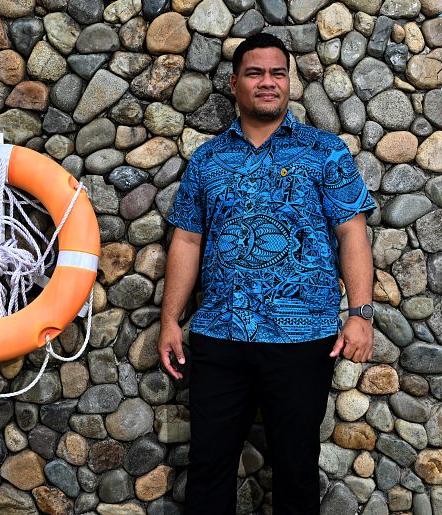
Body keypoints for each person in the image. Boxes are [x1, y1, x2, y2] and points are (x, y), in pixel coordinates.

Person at [158, 32, 377, 514]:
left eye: (278, 72)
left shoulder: (326, 152)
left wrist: (360, 312)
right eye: (255, 73)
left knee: (297, 466)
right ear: (235, 83)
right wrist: (170, 320)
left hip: (303, 340)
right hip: (220, 338)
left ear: (290, 82)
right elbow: (188, 240)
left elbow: (352, 233)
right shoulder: (208, 160)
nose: (268, 82)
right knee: (210, 465)